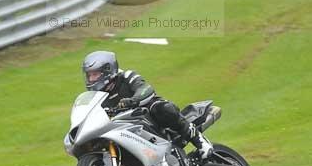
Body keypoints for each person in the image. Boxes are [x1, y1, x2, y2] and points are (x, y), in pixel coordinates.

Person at [81, 50, 213, 159]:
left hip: (148, 116)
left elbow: (145, 89)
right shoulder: (98, 97)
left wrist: (132, 101)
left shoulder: (126, 76)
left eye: (95, 74)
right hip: (125, 129)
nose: (91, 79)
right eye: (89, 75)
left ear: (108, 70)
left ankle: (199, 141)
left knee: (162, 108)